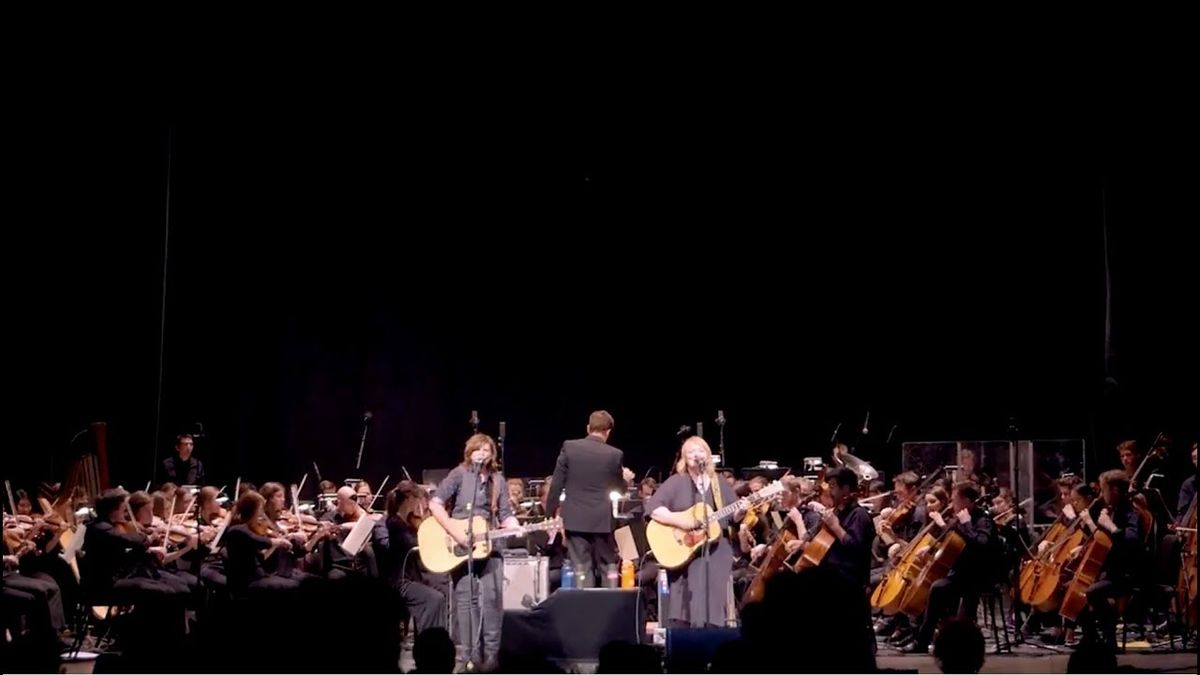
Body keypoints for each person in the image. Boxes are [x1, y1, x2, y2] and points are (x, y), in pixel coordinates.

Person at [428, 433, 523, 671]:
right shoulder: (459, 474)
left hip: (491, 546)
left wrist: (514, 526)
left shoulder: (497, 480)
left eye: (486, 450)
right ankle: (470, 656)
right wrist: (455, 532)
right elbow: (435, 503)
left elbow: (505, 514)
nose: (482, 453)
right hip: (460, 547)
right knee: (466, 602)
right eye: (477, 449)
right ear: (469, 453)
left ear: (492, 455)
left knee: (492, 601)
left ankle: (491, 658)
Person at [646, 436, 743, 628]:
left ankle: (710, 633)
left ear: (708, 455)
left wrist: (742, 511)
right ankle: (684, 635)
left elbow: (733, 516)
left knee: (711, 600)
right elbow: (654, 509)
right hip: (683, 550)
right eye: (691, 451)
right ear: (684, 458)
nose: (696, 454)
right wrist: (682, 521)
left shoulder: (718, 483)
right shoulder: (676, 482)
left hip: (716, 550)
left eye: (700, 450)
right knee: (683, 604)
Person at [544, 410, 628, 588]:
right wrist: (626, 480)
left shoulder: (569, 447)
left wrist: (549, 514)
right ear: (608, 432)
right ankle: (610, 603)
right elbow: (618, 488)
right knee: (607, 565)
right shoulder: (615, 454)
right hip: (602, 521)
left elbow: (556, 484)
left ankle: (584, 603)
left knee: (581, 567)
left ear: (588, 428)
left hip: (575, 519)